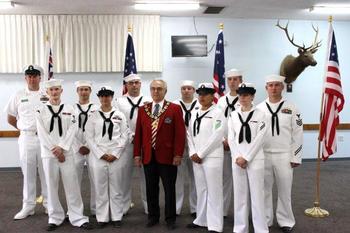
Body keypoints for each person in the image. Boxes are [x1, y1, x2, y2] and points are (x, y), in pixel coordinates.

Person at [35, 79, 92, 231]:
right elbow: (41, 133)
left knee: (72, 185)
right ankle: (55, 217)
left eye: (57, 89)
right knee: (51, 186)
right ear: (47, 92)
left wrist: (62, 147)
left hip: (67, 153)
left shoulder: (70, 108)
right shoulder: (40, 110)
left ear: (61, 91)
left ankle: (77, 217)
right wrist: (55, 149)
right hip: (49, 154)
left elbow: (72, 129)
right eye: (51, 90)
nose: (54, 92)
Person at [134, 79, 186, 230]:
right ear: (150, 91)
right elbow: (138, 134)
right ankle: (153, 216)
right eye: (153, 89)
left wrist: (178, 154)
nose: (156, 92)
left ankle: (170, 218)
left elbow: (180, 134)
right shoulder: (143, 109)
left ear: (165, 91)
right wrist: (137, 155)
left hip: (168, 157)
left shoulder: (174, 109)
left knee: (169, 189)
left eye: (159, 89)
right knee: (151, 188)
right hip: (149, 157)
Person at [257, 75, 303, 233]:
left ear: (282, 87)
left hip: (284, 155)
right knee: (264, 189)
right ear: (266, 88)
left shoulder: (291, 107)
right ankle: (266, 219)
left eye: (277, 85)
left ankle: (286, 221)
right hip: (263, 155)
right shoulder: (259, 108)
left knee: (285, 190)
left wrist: (295, 156)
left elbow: (297, 133)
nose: (274, 88)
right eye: (270, 85)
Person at [4, 65, 48, 220]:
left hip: (44, 139)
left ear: (40, 77)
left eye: (35, 75)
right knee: (28, 173)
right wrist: (24, 129)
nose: (32, 78)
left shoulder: (47, 94)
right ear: (25, 78)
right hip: (27, 138)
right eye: (29, 76)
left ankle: (49, 204)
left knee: (46, 172)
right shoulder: (18, 95)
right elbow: (10, 117)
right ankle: (28, 206)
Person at [227, 82, 269, 233]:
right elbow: (231, 138)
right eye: (240, 95)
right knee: (240, 195)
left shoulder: (261, 114)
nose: (243, 98)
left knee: (258, 195)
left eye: (246, 95)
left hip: (255, 159)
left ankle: (261, 229)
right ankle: (240, 228)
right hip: (237, 160)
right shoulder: (233, 115)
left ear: (252, 96)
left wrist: (247, 157)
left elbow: (260, 138)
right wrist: (238, 157)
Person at [85, 86, 129, 228]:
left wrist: (115, 154)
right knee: (100, 188)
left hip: (116, 156)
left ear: (111, 97)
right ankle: (102, 218)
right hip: (98, 157)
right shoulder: (93, 116)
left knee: (116, 188)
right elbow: (89, 137)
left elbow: (125, 136)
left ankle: (117, 216)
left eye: (107, 96)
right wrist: (101, 154)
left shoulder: (119, 115)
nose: (105, 99)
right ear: (99, 98)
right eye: (102, 96)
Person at [186, 83, 226, 233]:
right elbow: (189, 134)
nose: (202, 97)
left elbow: (217, 135)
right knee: (201, 190)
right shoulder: (195, 112)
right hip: (197, 157)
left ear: (212, 96)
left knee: (214, 190)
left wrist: (201, 153)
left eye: (205, 94)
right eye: (200, 93)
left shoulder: (218, 112)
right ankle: (201, 219)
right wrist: (193, 152)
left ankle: (215, 225)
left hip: (212, 157)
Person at [115, 73, 151, 215]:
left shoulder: (148, 100)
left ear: (140, 84)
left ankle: (149, 207)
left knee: (147, 177)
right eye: (131, 83)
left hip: (145, 144)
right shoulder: (119, 101)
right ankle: (124, 207)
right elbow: (117, 122)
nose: (134, 85)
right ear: (126, 85)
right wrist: (130, 136)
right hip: (126, 143)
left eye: (136, 82)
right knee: (124, 176)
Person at [217, 68, 242, 217]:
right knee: (225, 179)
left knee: (241, 181)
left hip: (240, 147)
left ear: (240, 80)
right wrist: (222, 139)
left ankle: (241, 213)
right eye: (230, 79)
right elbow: (217, 122)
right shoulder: (221, 101)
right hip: (224, 145)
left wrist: (234, 142)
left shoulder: (246, 98)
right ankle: (223, 211)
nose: (232, 82)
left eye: (235, 79)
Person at [173, 80, 198, 217]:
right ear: (180, 90)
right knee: (178, 178)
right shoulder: (174, 105)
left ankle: (195, 207)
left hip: (196, 146)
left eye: (189, 88)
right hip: (179, 146)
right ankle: (176, 208)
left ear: (193, 90)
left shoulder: (200, 104)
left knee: (196, 178)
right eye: (184, 88)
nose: (186, 91)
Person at [72, 80, 98, 217]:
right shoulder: (70, 108)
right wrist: (79, 146)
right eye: (81, 89)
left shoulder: (97, 108)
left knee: (96, 179)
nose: (83, 92)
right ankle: (75, 210)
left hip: (92, 149)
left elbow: (98, 130)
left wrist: (88, 145)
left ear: (90, 91)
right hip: (76, 149)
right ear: (77, 91)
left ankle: (96, 208)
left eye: (86, 89)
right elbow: (68, 130)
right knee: (74, 180)